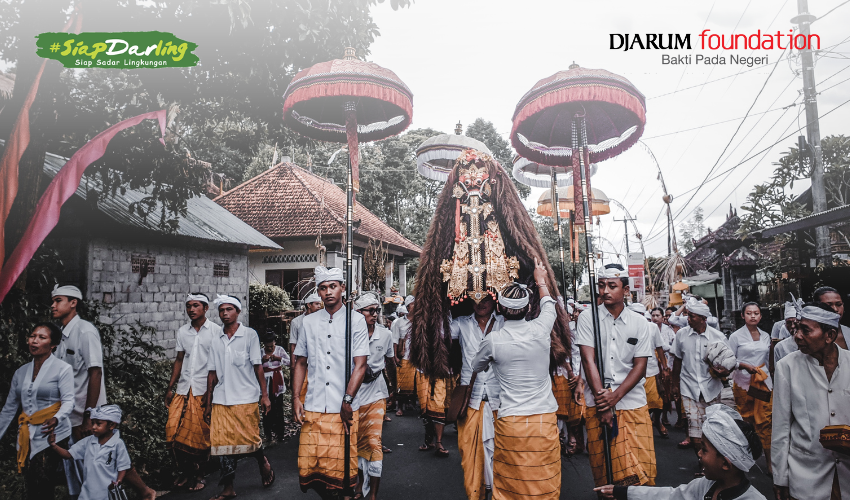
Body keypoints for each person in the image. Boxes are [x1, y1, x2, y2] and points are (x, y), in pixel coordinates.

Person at [51, 285, 156, 500]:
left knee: (105, 457)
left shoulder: (85, 331)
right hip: (69, 413)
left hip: (87, 413)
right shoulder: (62, 335)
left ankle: (145, 491)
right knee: (78, 464)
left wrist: (89, 416)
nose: (53, 305)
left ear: (73, 303)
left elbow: (95, 372)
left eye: (58, 300)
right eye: (52, 301)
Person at [472, 257, 560, 500]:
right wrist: (540, 280)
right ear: (528, 307)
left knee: (511, 487)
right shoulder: (541, 329)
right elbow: (548, 303)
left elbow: (476, 366)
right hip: (544, 421)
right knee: (544, 484)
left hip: (511, 422)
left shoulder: (493, 340)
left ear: (498, 309)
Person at [292, 266, 369, 498]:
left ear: (342, 288)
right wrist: (296, 397)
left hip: (341, 408)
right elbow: (301, 362)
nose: (328, 292)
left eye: (333, 286)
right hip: (314, 405)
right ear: (319, 291)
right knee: (311, 467)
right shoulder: (308, 322)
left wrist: (347, 400)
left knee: (341, 470)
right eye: (323, 288)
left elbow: (361, 365)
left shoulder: (355, 321)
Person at [577, 265, 656, 487]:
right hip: (598, 402)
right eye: (601, 285)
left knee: (642, 469)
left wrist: (616, 397)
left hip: (632, 401)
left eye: (612, 286)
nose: (605, 291)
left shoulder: (640, 323)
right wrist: (604, 403)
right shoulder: (587, 317)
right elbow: (587, 360)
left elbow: (640, 366)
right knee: (605, 470)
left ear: (626, 290)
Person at [594, 404, 767, 500]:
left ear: (726, 464)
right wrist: (623, 492)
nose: (699, 454)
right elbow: (670, 496)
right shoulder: (705, 485)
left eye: (704, 450)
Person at [772, 303, 850, 500]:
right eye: (797, 327)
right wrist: (780, 478)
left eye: (805, 330)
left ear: (830, 336)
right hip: (806, 476)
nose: (797, 335)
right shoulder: (787, 367)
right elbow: (781, 428)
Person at [204, 294, 275, 500]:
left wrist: (265, 396)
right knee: (221, 445)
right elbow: (212, 373)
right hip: (221, 399)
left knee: (250, 439)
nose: (224, 314)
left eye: (229, 310)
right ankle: (228, 488)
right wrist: (208, 403)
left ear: (238, 311)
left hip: (246, 397)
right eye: (221, 310)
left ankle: (262, 461)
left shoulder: (249, 335)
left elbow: (257, 366)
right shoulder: (216, 338)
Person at [0, 323, 74, 499]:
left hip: (53, 433)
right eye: (33, 336)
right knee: (32, 482)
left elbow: (69, 401)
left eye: (42, 337)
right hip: (27, 433)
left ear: (53, 344)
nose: (34, 341)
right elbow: (9, 408)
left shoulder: (63, 369)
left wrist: (56, 418)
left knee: (44, 482)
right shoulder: (21, 372)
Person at [451, 293, 504, 499]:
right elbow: (438, 332)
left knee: (500, 455)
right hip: (470, 399)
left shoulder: (505, 323)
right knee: (470, 456)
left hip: (499, 399)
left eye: (486, 298)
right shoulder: (460, 324)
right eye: (476, 298)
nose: (481, 303)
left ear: (495, 300)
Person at [164, 293, 218, 492]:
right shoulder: (182, 332)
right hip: (183, 389)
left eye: (196, 306)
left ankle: (200, 475)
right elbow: (179, 360)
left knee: (199, 436)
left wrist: (211, 395)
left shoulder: (215, 331)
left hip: (204, 391)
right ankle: (186, 472)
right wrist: (170, 387)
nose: (191, 309)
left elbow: (217, 367)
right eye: (188, 306)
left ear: (205, 308)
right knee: (172, 431)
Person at [671, 298, 731, 469]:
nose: (688, 319)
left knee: (712, 428)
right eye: (688, 316)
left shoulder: (718, 337)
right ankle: (703, 466)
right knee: (695, 428)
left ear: (703, 319)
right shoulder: (681, 335)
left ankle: (712, 462)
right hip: (689, 388)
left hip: (712, 388)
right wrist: (674, 385)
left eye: (692, 316)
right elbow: (677, 362)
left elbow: (728, 363)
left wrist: (724, 371)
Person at [353, 294, 394, 500]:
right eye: (370, 310)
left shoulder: (385, 334)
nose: (375, 314)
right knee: (356, 442)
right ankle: (360, 483)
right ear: (358, 313)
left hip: (377, 392)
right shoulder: (348, 334)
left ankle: (373, 494)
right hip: (352, 395)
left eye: (376, 310)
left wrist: (394, 387)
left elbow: (390, 361)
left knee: (374, 442)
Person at [48, 405, 131, 500]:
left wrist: (118, 481)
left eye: (98, 424)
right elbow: (68, 454)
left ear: (111, 425)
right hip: (87, 495)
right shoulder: (88, 442)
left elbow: (123, 466)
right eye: (92, 423)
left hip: (108, 495)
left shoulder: (118, 444)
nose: (93, 427)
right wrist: (53, 445)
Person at [727, 302, 773, 473]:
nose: (753, 316)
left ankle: (769, 463)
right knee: (746, 420)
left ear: (760, 316)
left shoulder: (766, 336)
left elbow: (769, 361)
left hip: (762, 383)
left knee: (765, 420)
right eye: (749, 313)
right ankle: (745, 460)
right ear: (742, 316)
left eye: (756, 313)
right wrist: (744, 365)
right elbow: (730, 360)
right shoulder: (736, 337)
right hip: (743, 383)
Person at [773, 287, 850, 366]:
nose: (835, 309)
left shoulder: (848, 333)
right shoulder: (787, 349)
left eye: (839, 304)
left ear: (831, 335)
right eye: (828, 305)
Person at [629, 303, 669, 439]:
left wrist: (665, 367)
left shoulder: (652, 328)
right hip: (632, 372)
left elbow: (659, 348)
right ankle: (640, 427)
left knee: (656, 402)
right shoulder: (626, 328)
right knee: (637, 402)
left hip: (651, 370)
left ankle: (657, 422)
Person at [290, 293, 323, 404]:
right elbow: (293, 344)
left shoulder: (321, 321)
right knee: (301, 389)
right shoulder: (297, 322)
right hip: (302, 361)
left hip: (316, 361)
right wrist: (293, 364)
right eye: (317, 304)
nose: (319, 306)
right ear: (309, 305)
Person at [261, 332, 290, 442]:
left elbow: (290, 362)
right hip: (266, 381)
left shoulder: (280, 350)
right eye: (267, 347)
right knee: (266, 409)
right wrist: (261, 361)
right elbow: (254, 366)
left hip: (277, 381)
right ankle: (268, 435)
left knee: (278, 408)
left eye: (271, 346)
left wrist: (279, 359)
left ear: (275, 343)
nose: (269, 348)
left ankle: (280, 434)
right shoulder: (260, 352)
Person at [650, 307, 676, 428]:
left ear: (663, 317)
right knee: (656, 393)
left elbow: (673, 345)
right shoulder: (648, 328)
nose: (655, 318)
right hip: (652, 365)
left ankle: (663, 416)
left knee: (666, 391)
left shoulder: (668, 330)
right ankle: (656, 418)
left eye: (657, 315)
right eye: (653, 315)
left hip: (666, 362)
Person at [392, 298, 415, 416]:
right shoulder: (399, 322)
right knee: (401, 384)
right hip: (403, 356)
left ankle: (412, 403)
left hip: (416, 358)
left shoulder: (419, 321)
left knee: (416, 383)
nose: (415, 306)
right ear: (407, 308)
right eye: (412, 304)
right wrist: (395, 356)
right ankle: (399, 407)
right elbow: (395, 340)